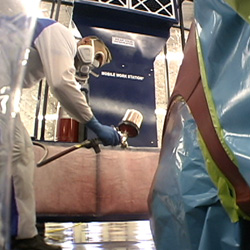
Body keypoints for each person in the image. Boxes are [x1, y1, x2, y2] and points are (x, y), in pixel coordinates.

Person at [11, 17, 121, 250]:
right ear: (88, 41)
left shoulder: (51, 51)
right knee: (16, 155)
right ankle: (21, 237)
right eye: (98, 56)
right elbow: (61, 84)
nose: (93, 64)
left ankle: (23, 235)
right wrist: (95, 123)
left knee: (20, 156)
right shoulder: (59, 33)